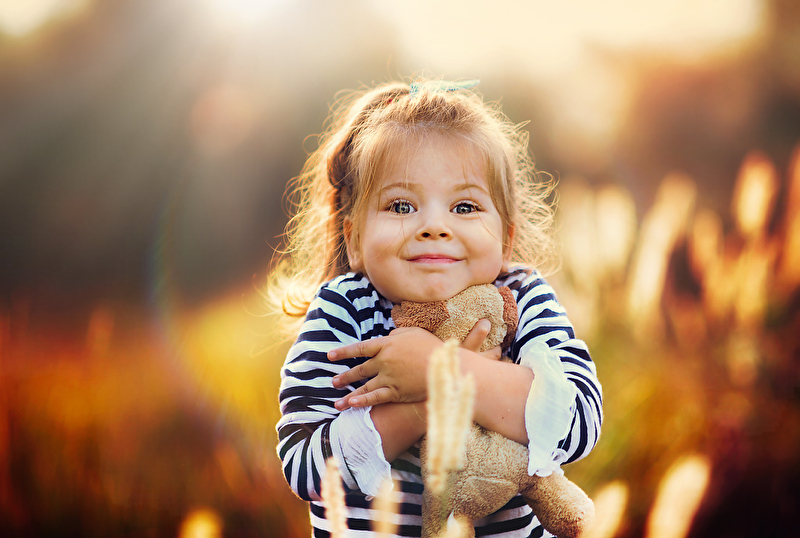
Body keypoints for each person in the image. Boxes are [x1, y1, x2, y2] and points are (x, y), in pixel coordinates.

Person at [270, 78, 602, 537]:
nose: (433, 226)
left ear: (505, 239)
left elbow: (579, 422)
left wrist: (442, 372)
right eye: (401, 205)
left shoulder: (522, 296)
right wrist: (422, 407)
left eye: (464, 206)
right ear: (355, 238)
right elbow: (305, 468)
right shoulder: (344, 311)